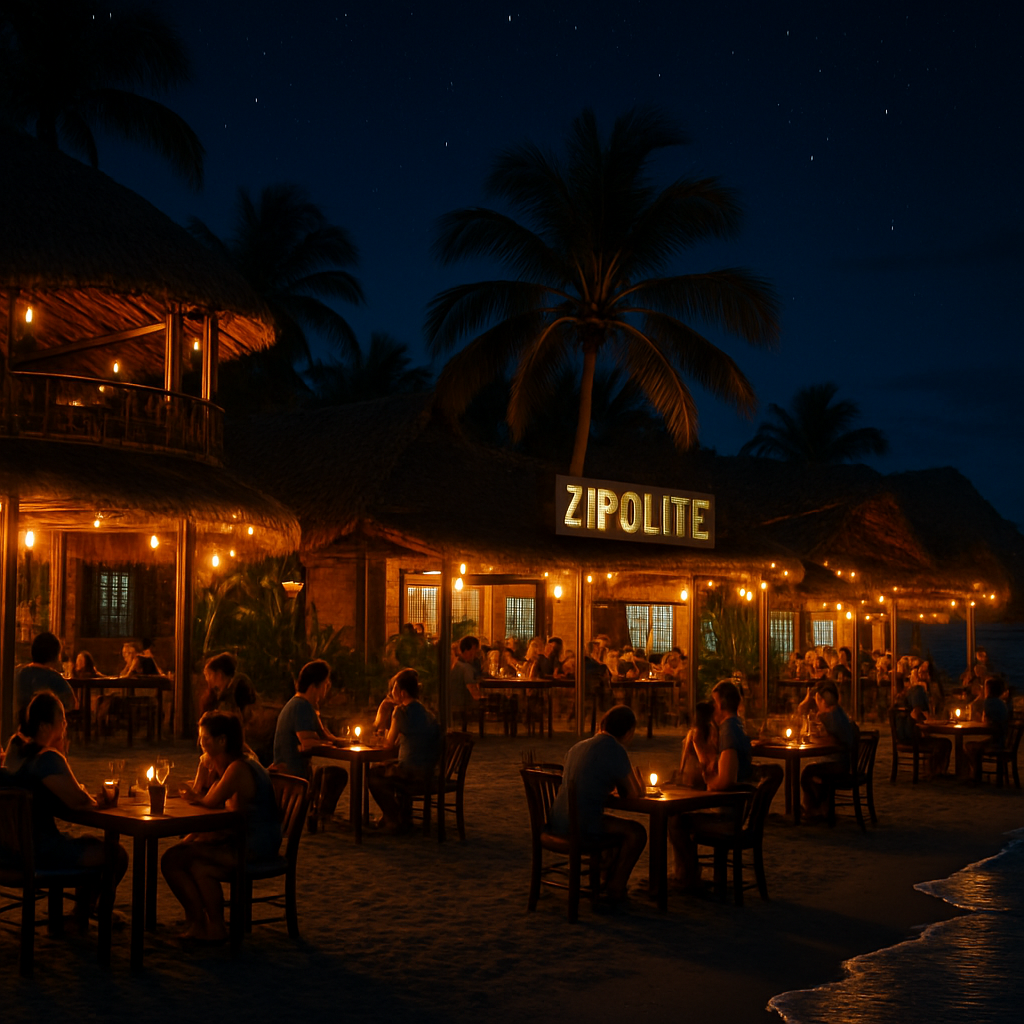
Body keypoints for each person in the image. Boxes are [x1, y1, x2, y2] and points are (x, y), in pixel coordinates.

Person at [5, 692, 128, 928]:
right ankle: (87, 914)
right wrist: (61, 755)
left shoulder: (15, 751)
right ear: (44, 726)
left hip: (8, 851)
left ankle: (79, 916)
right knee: (116, 854)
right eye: (61, 719)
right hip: (38, 851)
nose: (66, 723)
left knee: (89, 842)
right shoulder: (46, 758)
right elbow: (79, 801)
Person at [162, 712, 281, 941]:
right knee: (199, 867)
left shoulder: (237, 769)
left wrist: (194, 787)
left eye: (205, 739)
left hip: (253, 847)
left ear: (222, 741)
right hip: (255, 841)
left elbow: (208, 802)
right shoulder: (240, 763)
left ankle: (197, 921)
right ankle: (214, 927)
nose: (200, 744)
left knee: (172, 859)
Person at [548, 705, 646, 907]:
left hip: (557, 821)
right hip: (582, 825)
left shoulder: (578, 746)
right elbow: (633, 794)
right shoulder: (615, 749)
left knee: (614, 828)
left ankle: (605, 879)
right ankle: (615, 887)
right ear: (628, 732)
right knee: (636, 832)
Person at [367, 670, 439, 833]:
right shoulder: (427, 713)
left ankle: (393, 817)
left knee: (374, 774)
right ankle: (400, 816)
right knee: (392, 765)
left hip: (412, 774)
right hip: (429, 771)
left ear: (402, 692)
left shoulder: (400, 712)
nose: (391, 693)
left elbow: (388, 744)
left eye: (394, 689)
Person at [800, 683, 856, 817]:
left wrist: (814, 739)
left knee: (808, 772)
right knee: (813, 769)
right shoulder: (838, 713)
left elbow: (833, 741)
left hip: (839, 764)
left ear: (823, 701)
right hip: (843, 761)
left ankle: (814, 808)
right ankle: (819, 807)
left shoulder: (832, 717)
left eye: (817, 700)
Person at [16, 631, 77, 716]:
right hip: (42, 727)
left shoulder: (16, 672)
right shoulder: (54, 679)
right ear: (55, 656)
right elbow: (71, 704)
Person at [964, 678, 1010, 782]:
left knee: (969, 746)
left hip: (996, 742)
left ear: (988, 690)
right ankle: (974, 774)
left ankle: (974, 774)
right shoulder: (1001, 703)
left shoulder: (989, 702)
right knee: (973, 745)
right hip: (1002, 739)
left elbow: (987, 723)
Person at [677, 700, 717, 788]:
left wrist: (681, 769)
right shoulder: (710, 730)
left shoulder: (694, 732)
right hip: (701, 767)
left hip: (694, 769)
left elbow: (686, 752)